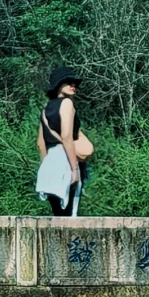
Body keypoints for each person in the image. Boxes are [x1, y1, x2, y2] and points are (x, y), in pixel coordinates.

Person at [37, 65, 89, 216]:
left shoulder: (45, 110)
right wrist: (74, 170)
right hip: (66, 159)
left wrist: (46, 167)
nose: (74, 85)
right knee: (69, 215)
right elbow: (66, 137)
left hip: (50, 161)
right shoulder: (67, 103)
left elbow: (41, 143)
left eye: (75, 83)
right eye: (68, 82)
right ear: (58, 84)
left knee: (58, 214)